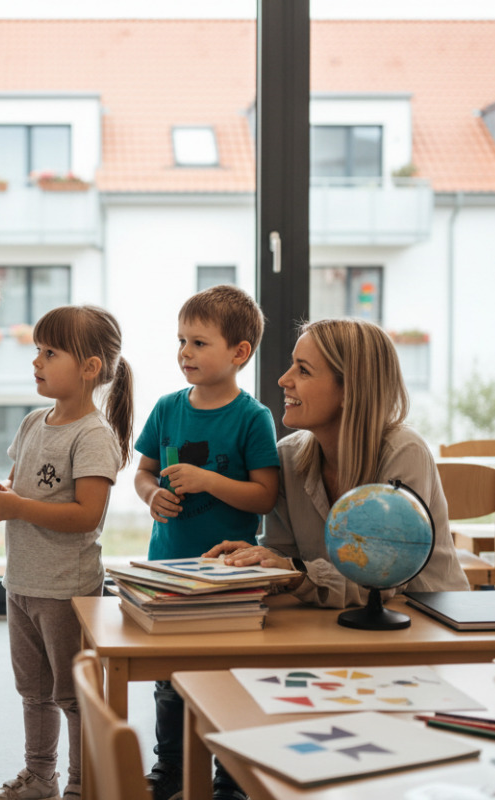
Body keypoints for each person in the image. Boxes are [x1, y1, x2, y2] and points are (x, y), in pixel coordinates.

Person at [0, 305, 134, 800]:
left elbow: (86, 514)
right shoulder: (31, 422)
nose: (36, 362)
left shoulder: (93, 435)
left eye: (50, 352)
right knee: (33, 693)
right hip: (21, 583)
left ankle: (81, 784)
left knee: (71, 696)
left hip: (66, 589)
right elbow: (27, 489)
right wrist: (7, 494)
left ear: (90, 368)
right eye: (37, 351)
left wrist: (18, 506)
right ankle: (39, 777)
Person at [206, 317, 468, 608]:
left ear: (349, 390)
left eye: (303, 370)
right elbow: (286, 558)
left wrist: (292, 572)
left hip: (423, 622)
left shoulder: (404, 452)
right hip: (331, 621)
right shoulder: (287, 457)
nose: (283, 380)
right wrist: (256, 562)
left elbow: (385, 580)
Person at [133, 285, 281, 800]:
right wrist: (152, 496)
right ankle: (170, 767)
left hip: (229, 578)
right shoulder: (167, 407)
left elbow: (265, 496)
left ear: (240, 352)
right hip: (167, 569)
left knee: (230, 678)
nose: (184, 353)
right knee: (170, 682)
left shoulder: (252, 417)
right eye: (181, 341)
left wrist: (208, 481)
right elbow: (144, 473)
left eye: (199, 343)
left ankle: (230, 777)